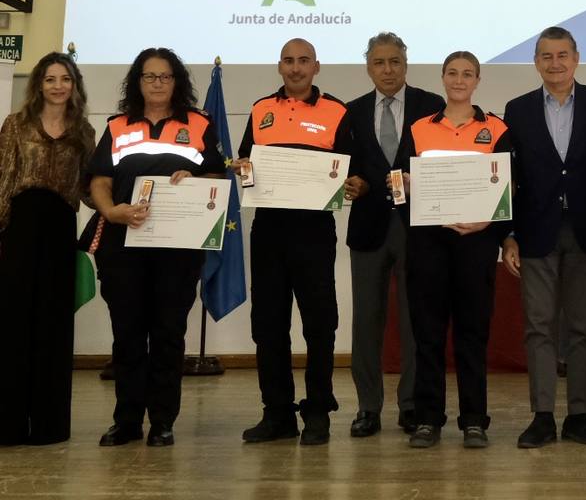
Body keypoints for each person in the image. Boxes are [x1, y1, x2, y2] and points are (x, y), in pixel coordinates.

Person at [88, 48, 226, 447]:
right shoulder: (117, 126)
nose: (158, 83)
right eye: (149, 76)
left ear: (176, 81)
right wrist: (110, 211)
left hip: (177, 252)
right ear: (138, 82)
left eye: (165, 76)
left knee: (168, 334)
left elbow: (216, 177)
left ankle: (163, 421)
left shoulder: (199, 124)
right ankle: (127, 421)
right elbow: (100, 179)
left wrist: (195, 181)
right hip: (123, 247)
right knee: (127, 334)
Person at [236, 38, 359, 446]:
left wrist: (355, 183)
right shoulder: (261, 109)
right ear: (279, 66)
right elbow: (245, 164)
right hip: (268, 231)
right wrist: (243, 169)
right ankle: (277, 414)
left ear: (316, 67)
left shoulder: (337, 111)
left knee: (320, 324)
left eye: (304, 60)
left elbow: (351, 170)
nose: (296, 68)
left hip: (314, 233)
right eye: (288, 60)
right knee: (268, 325)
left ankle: (318, 412)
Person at [502, 27, 586, 449]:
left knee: (584, 328)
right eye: (547, 56)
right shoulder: (516, 110)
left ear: (576, 58)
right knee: (538, 327)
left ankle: (581, 416)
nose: (555, 63)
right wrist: (509, 234)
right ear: (536, 62)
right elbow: (511, 177)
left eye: (563, 55)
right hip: (535, 231)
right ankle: (542, 416)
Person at [403, 52, 513, 449]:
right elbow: (396, 182)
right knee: (428, 335)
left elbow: (509, 187)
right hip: (427, 243)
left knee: (472, 334)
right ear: (443, 78)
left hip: (475, 244)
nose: (459, 80)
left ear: (478, 80)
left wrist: (489, 222)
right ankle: (427, 418)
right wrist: (403, 186)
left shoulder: (497, 128)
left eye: (468, 74)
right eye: (452, 73)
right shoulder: (419, 128)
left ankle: (474, 420)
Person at [344, 32, 443, 438]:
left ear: (406, 63)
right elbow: (345, 165)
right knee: (366, 321)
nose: (387, 70)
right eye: (379, 63)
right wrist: (356, 182)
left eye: (394, 62)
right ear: (368, 67)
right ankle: (368, 407)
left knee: (415, 319)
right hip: (368, 228)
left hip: (417, 227)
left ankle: (412, 404)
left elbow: (440, 162)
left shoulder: (431, 106)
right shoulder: (351, 111)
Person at [0, 52, 96, 445]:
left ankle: (49, 425)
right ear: (38, 84)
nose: (58, 86)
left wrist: (128, 200)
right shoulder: (16, 125)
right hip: (19, 227)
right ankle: (7, 424)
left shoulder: (84, 132)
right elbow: (4, 179)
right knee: (13, 324)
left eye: (65, 79)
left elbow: (89, 188)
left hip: (60, 230)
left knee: (54, 325)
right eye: (50, 79)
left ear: (75, 85)